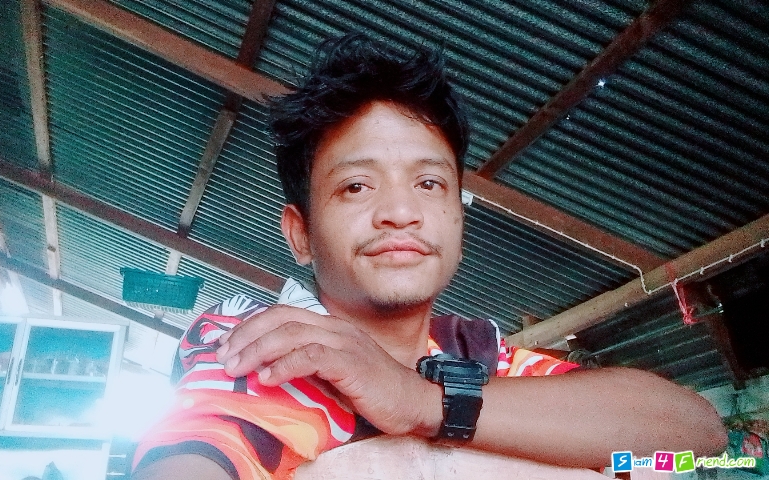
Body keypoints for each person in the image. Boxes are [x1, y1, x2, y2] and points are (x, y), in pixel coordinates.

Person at [131, 34, 727, 480]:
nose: (401, 212)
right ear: (301, 233)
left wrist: (420, 402)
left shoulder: (487, 360)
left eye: (429, 184)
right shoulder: (267, 352)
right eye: (356, 186)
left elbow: (696, 440)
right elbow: (199, 447)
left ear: (459, 219)